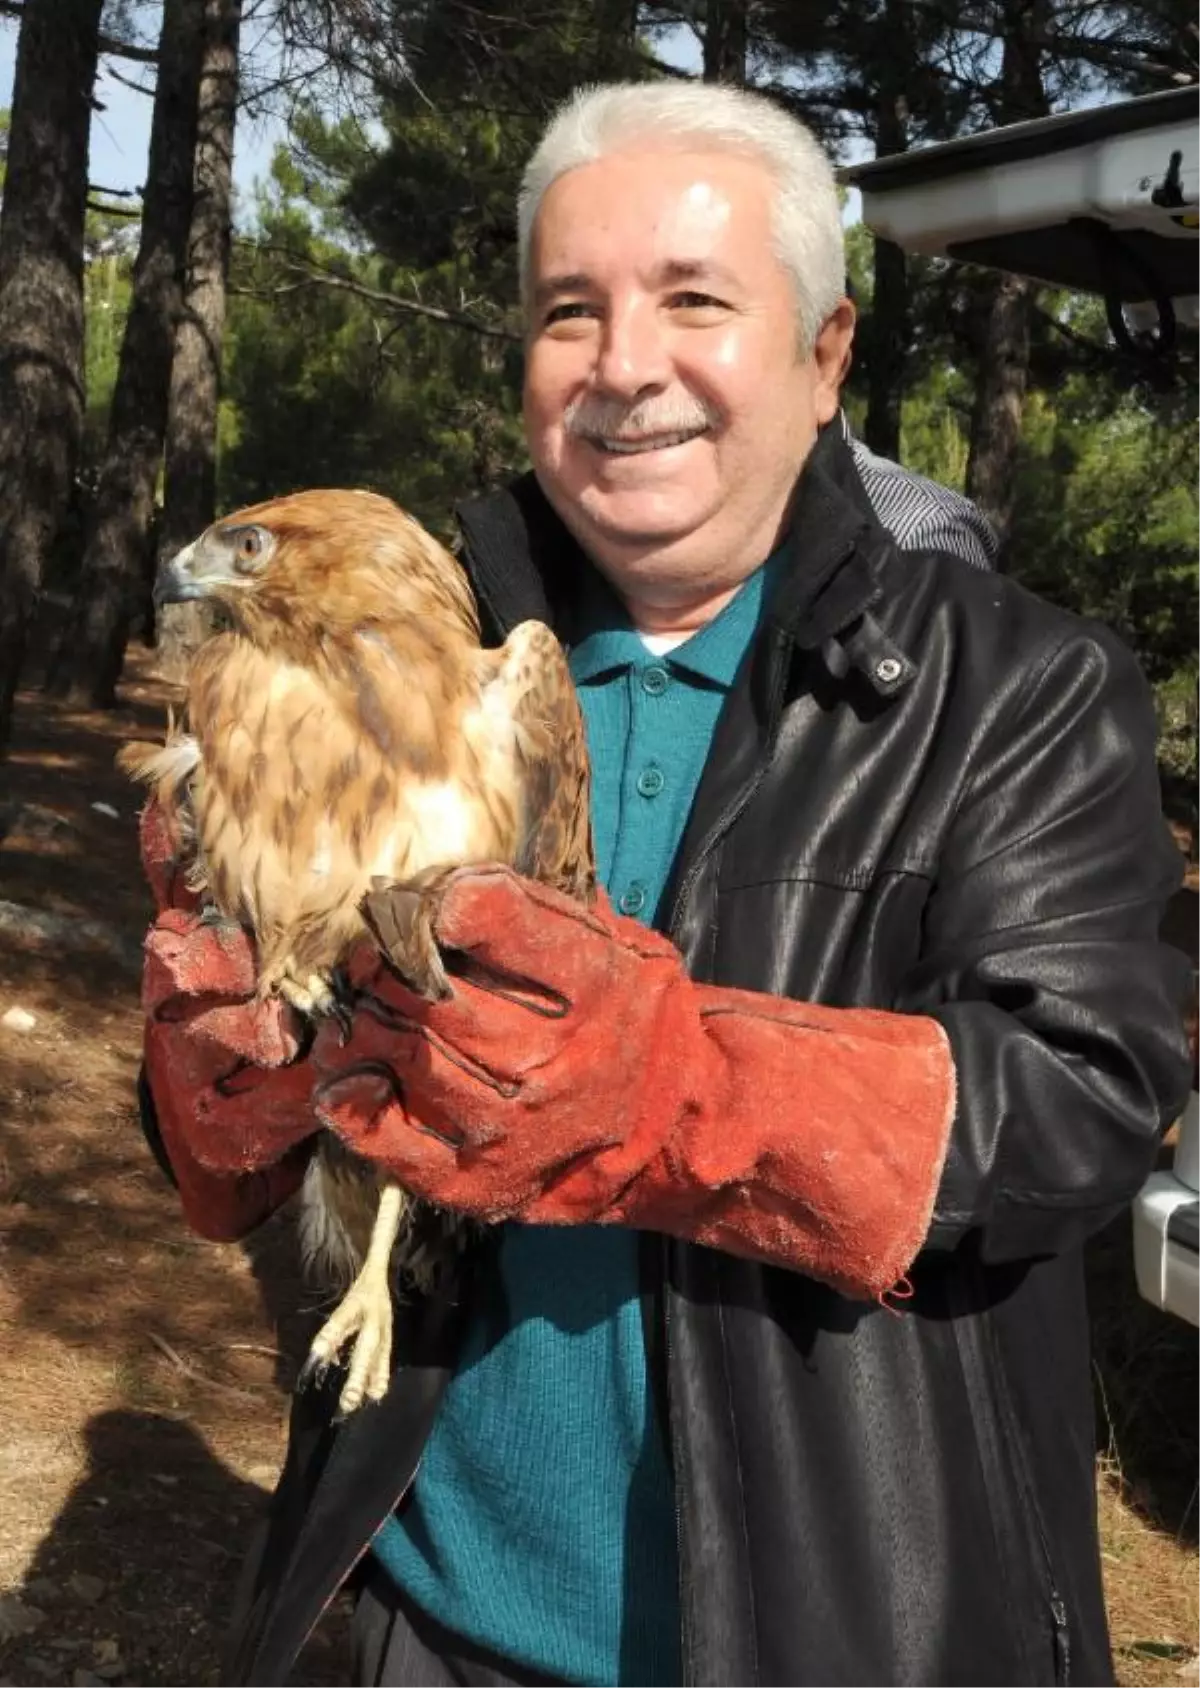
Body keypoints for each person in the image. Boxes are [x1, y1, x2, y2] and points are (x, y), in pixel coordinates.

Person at [135, 82, 1191, 1688]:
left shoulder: (1014, 685)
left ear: (827, 355)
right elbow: (279, 1091)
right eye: (573, 311)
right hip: (421, 1612)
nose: (626, 365)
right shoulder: (409, 655)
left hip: (848, 1633)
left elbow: (1084, 1098)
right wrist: (218, 1092)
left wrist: (678, 1088)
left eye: (694, 301)